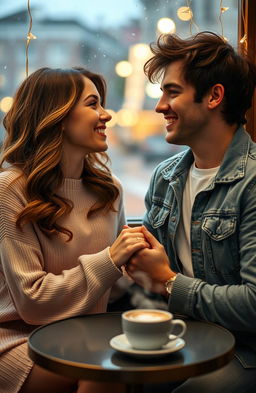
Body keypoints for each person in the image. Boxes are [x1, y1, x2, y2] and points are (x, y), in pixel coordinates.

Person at [0, 67, 149, 393]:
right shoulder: (11, 190)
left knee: (117, 366)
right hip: (17, 337)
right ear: (59, 116)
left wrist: (144, 268)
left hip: (86, 333)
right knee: (106, 374)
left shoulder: (111, 190)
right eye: (93, 104)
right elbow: (32, 302)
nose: (106, 115)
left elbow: (113, 286)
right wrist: (111, 259)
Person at [125, 32, 256, 393]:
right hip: (182, 336)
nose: (159, 106)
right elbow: (146, 276)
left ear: (214, 96)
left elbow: (253, 304)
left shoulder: (252, 183)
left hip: (244, 350)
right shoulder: (166, 177)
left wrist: (168, 281)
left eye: (172, 92)